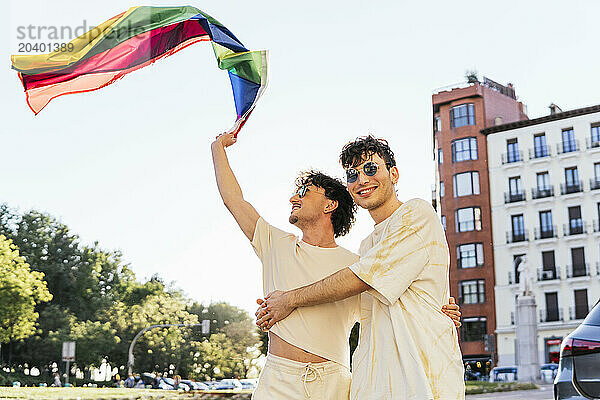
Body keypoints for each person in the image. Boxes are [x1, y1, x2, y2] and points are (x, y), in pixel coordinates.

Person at [211, 133, 461, 400]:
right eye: (352, 175)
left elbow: (369, 286)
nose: (361, 179)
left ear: (394, 174)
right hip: (288, 379)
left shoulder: (368, 253)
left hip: (345, 381)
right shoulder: (289, 245)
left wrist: (438, 311)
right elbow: (234, 200)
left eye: (371, 168)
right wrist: (217, 148)